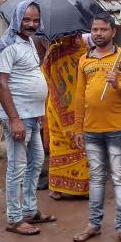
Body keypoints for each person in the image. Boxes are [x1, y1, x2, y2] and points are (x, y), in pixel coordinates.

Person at [72, 12, 121, 242]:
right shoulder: (85, 60)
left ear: (113, 31)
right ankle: (93, 224)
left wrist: (117, 84)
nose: (98, 33)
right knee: (97, 178)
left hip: (117, 129)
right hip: (90, 130)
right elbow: (79, 96)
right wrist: (77, 128)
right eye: (94, 30)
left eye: (103, 29)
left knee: (120, 178)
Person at [0, 1, 57, 236]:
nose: (31, 24)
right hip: (18, 117)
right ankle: (14, 217)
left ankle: (30, 210)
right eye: (27, 19)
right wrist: (14, 119)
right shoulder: (6, 45)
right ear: (17, 18)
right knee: (17, 167)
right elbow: (1, 82)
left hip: (33, 116)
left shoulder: (28, 41)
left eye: (35, 20)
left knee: (36, 162)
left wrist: (39, 113)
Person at [42, 34, 91, 200]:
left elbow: (45, 73)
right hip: (67, 108)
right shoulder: (85, 52)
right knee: (71, 145)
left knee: (63, 146)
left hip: (63, 107)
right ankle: (80, 188)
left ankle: (59, 189)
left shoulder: (55, 52)